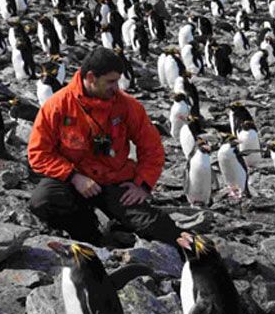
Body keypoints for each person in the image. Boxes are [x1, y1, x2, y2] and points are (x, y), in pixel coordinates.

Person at [28, 47, 179, 246]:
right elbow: (38, 153)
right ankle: (89, 232)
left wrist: (142, 185)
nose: (116, 87)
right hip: (74, 182)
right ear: (91, 77)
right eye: (111, 81)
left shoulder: (127, 106)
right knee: (43, 201)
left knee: (156, 227)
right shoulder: (58, 105)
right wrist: (73, 177)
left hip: (114, 180)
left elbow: (152, 148)